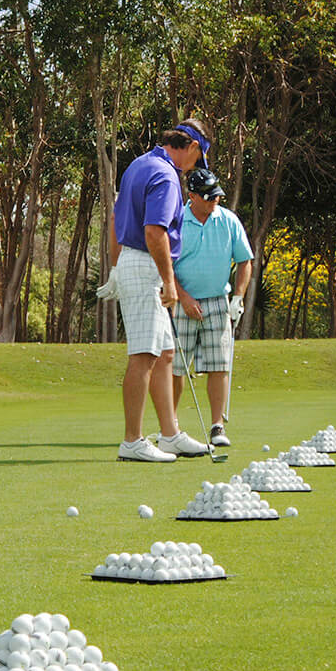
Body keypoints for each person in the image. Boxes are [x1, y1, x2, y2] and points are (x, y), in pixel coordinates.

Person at [106, 118, 212, 461]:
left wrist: (115, 266)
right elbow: (155, 232)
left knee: (165, 353)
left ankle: (169, 434)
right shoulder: (166, 175)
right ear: (192, 148)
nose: (195, 167)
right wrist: (169, 282)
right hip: (146, 264)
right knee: (144, 355)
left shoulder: (139, 164)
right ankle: (132, 441)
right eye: (198, 158)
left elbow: (115, 218)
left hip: (134, 262)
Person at [170, 166, 254, 448]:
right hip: (182, 303)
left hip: (218, 302)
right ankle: (170, 427)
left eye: (216, 195)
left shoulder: (228, 221)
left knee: (219, 366)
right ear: (191, 195)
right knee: (176, 368)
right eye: (207, 197)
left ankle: (217, 426)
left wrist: (238, 298)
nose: (213, 200)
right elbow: (166, 265)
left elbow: (245, 261)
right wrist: (182, 297)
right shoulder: (177, 221)